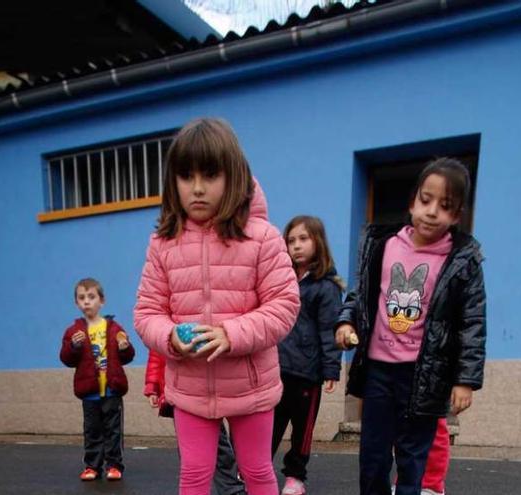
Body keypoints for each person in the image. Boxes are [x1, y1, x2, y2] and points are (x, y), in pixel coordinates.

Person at [134, 117, 300, 495]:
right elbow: (146, 313)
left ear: (234, 177)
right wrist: (171, 337)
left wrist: (231, 334)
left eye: (210, 174)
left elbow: (285, 305)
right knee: (193, 475)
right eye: (185, 176)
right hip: (189, 387)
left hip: (251, 387)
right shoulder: (163, 243)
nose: (196, 188)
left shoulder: (262, 237)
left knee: (257, 472)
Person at [334, 157, 486, 495]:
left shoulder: (462, 261)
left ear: (457, 216)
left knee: (412, 459)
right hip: (378, 371)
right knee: (372, 457)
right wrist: (346, 322)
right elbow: (360, 294)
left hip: (424, 375)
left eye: (445, 206)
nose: (432, 212)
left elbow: (472, 321)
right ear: (412, 202)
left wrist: (465, 380)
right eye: (426, 200)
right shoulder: (383, 245)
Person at [272, 216, 344, 495]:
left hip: (308, 373)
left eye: (303, 239)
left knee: (302, 429)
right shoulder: (282, 281)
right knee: (270, 426)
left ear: (318, 242)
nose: (296, 246)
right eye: (291, 240)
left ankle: (295, 477)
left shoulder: (326, 287)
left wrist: (330, 370)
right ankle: (257, 469)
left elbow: (330, 331)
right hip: (277, 369)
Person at [59, 278, 135, 482]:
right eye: (81, 298)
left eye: (91, 297)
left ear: (102, 301)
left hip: (112, 389)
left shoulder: (114, 328)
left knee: (113, 430)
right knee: (92, 430)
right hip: (89, 391)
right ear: (76, 303)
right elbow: (66, 359)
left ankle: (114, 465)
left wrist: (124, 347)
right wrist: (73, 347)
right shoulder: (73, 331)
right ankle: (92, 466)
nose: (86, 302)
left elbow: (128, 356)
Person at [145, 350, 247, 495]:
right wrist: (153, 385)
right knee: (190, 455)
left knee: (218, 444)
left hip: (204, 389)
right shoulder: (167, 328)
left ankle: (231, 489)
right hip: (178, 392)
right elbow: (157, 351)